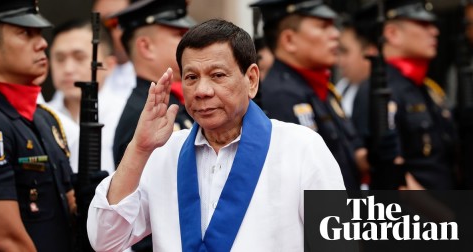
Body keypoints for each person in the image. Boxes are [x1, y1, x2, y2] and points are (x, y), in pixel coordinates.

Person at [87, 19, 345, 251]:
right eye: (191, 77)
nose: (202, 90)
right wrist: (140, 148)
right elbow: (106, 239)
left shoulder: (300, 147)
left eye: (217, 75)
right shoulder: (164, 152)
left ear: (251, 80)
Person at [251, 0, 368, 190]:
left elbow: (345, 156)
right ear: (289, 40)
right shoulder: (281, 95)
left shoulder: (320, 88)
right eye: (323, 27)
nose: (335, 35)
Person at [0, 0, 76, 251]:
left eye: (39, 33)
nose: (42, 43)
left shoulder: (45, 119)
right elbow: (5, 240)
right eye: (25, 33)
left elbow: (70, 205)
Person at [353, 0, 457, 189]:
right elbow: (393, 176)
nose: (435, 32)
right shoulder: (379, 90)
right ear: (393, 34)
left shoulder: (426, 87)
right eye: (424, 25)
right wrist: (444, 217)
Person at [112, 0, 195, 167]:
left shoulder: (172, 101)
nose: (190, 42)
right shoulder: (142, 115)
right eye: (179, 35)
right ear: (146, 47)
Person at [47, 19, 125, 175]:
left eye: (79, 57)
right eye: (60, 59)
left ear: (109, 65)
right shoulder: (42, 116)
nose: (68, 69)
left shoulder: (127, 113)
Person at [93, 0, 137, 102]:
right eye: (97, 24)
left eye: (113, 22)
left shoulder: (157, 71)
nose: (103, 31)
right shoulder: (85, 71)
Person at [336, 15, 376, 118]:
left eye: (345, 51)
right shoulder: (342, 87)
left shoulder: (384, 93)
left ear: (369, 53)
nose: (339, 61)